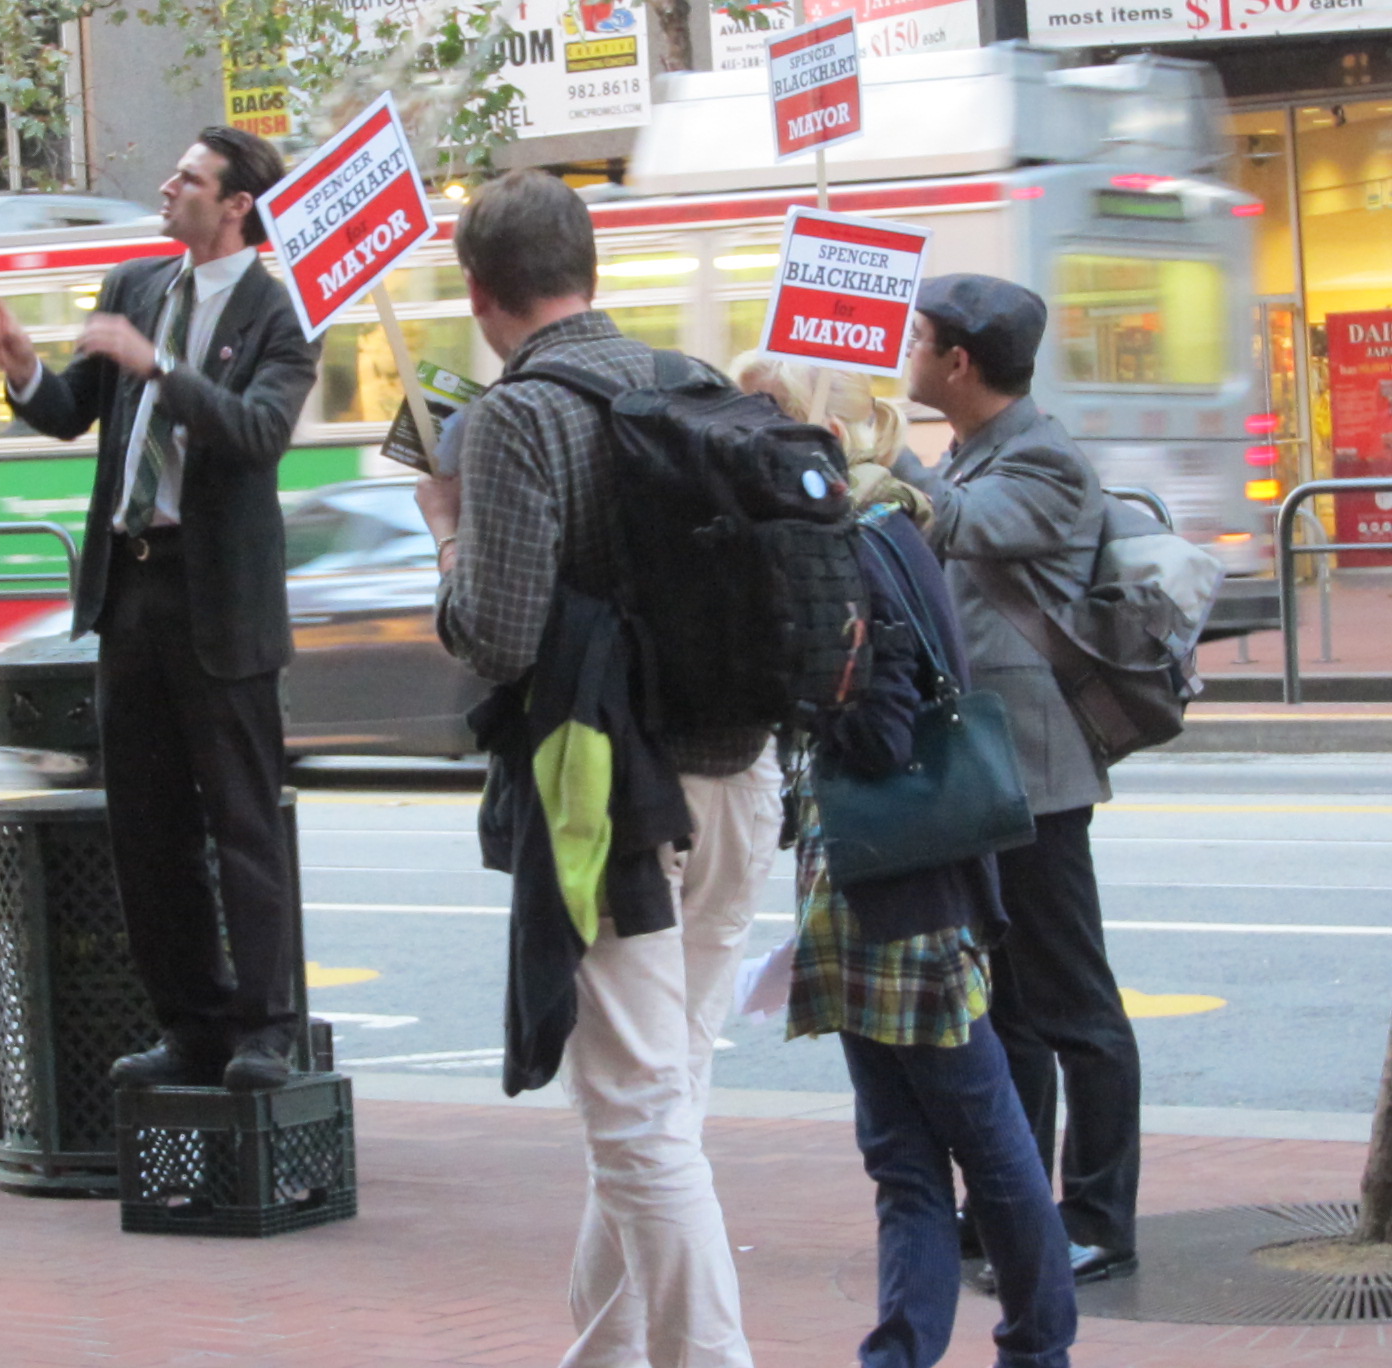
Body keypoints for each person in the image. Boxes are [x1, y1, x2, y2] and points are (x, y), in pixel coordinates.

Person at [417, 170, 783, 1368]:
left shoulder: (521, 417)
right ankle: (609, 1352)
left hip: (615, 801)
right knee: (668, 1095)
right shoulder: (695, 381)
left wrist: (448, 531)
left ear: (482, 296)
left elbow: (501, 636)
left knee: (633, 1122)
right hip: (741, 775)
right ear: (592, 266)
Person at [735, 355, 1076, 1368]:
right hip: (875, 897)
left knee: (986, 1148)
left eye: (770, 424)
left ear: (824, 438)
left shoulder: (864, 546)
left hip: (903, 899)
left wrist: (803, 685)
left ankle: (1038, 1345)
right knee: (909, 1160)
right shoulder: (877, 535)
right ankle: (906, 1352)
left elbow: (881, 733)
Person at [0, 127, 321, 1092]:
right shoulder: (134, 286)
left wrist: (158, 369)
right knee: (147, 825)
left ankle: (265, 1031)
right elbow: (71, 410)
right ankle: (192, 1025)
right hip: (129, 588)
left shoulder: (281, 313)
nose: (167, 186)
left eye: (189, 177)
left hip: (219, 600)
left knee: (241, 823)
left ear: (236, 204)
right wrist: (23, 370)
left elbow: (256, 434)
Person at [890, 275, 1141, 1283]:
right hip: (978, 771)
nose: (905, 359)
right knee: (1003, 1010)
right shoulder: (976, 449)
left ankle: (1099, 1219)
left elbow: (957, 524)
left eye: (919, 343)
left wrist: (879, 448)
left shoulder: (1042, 457)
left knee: (1076, 1007)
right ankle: (1010, 1205)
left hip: (1037, 773)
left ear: (959, 363)